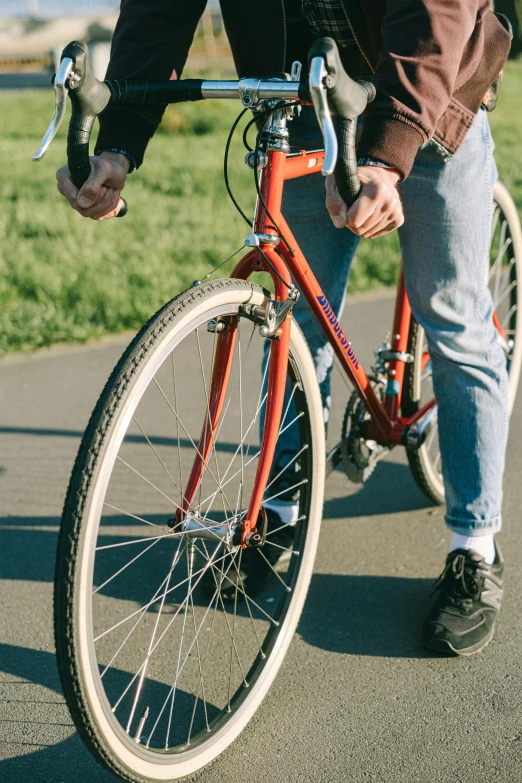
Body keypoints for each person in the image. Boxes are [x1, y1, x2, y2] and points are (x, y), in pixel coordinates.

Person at [56, 1, 512, 656]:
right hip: (304, 99)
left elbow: (435, 13)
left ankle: (476, 545)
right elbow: (159, 11)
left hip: (432, 88)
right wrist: (119, 144)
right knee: (294, 317)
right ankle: (279, 512)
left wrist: (385, 151)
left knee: (453, 313)